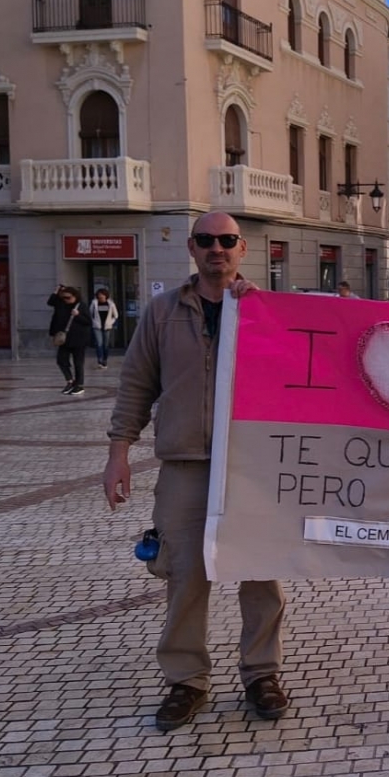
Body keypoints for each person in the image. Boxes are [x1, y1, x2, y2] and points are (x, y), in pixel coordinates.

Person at [102, 212, 289, 733]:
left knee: (261, 572)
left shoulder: (265, 311)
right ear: (192, 248)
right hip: (185, 464)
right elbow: (136, 385)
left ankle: (262, 673)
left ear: (242, 249)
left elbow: (300, 379)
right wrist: (119, 452)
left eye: (226, 240)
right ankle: (186, 680)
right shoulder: (163, 312)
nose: (216, 248)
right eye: (206, 240)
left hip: (251, 465)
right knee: (184, 574)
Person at [47, 285, 92, 395]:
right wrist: (56, 291)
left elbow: (88, 321)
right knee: (61, 360)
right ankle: (70, 381)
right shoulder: (61, 304)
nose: (65, 300)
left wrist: (78, 315)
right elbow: (50, 302)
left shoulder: (81, 306)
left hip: (79, 338)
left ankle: (79, 385)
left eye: (68, 297)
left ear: (75, 296)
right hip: (64, 339)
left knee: (78, 363)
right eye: (63, 297)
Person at [89, 287, 120, 369]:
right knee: (99, 343)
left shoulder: (111, 304)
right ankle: (100, 360)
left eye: (102, 295)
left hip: (107, 326)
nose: (101, 297)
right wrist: (93, 322)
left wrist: (111, 322)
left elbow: (116, 315)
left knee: (105, 344)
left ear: (106, 296)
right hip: (97, 326)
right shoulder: (94, 303)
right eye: (99, 295)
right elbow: (90, 313)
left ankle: (105, 359)